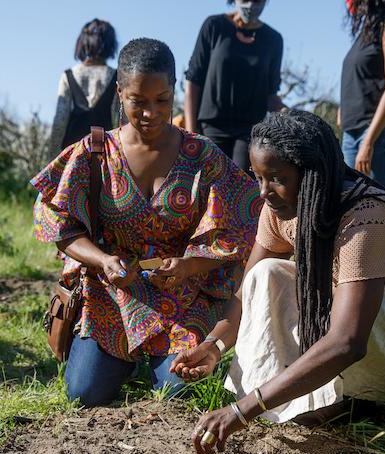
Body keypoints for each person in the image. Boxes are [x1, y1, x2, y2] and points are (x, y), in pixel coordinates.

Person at [170, 110, 385, 454]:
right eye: (258, 177)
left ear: (312, 174)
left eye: (276, 178)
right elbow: (246, 291)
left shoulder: (364, 219)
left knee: (365, 314)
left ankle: (381, 401)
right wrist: (213, 346)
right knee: (265, 275)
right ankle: (328, 399)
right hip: (365, 299)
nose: (264, 191)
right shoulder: (282, 205)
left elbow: (348, 341)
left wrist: (243, 411)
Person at [31, 38, 261, 407]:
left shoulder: (202, 155)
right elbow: (57, 221)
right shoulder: (94, 152)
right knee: (84, 393)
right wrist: (102, 260)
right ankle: (120, 359)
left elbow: (246, 222)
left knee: (179, 391)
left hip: (181, 297)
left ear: (174, 93)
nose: (151, 113)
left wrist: (190, 265)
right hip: (110, 294)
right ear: (119, 93)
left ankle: (155, 363)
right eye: (138, 101)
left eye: (162, 100)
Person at [184, 1, 284, 172]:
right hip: (211, 128)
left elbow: (271, 94)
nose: (251, 4)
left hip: (249, 131)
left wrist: (286, 113)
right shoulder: (214, 26)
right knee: (210, 181)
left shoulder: (273, 40)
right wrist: (191, 136)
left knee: (240, 181)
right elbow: (193, 81)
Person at [338, 0, 385, 190]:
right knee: (350, 205)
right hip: (352, 133)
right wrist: (342, 111)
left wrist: (368, 142)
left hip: (378, 133)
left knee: (372, 207)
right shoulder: (365, 34)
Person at [47, 19, 120, 161]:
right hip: (104, 156)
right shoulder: (117, 77)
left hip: (72, 156)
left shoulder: (68, 75)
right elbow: (119, 122)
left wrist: (52, 161)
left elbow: (60, 121)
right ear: (111, 45)